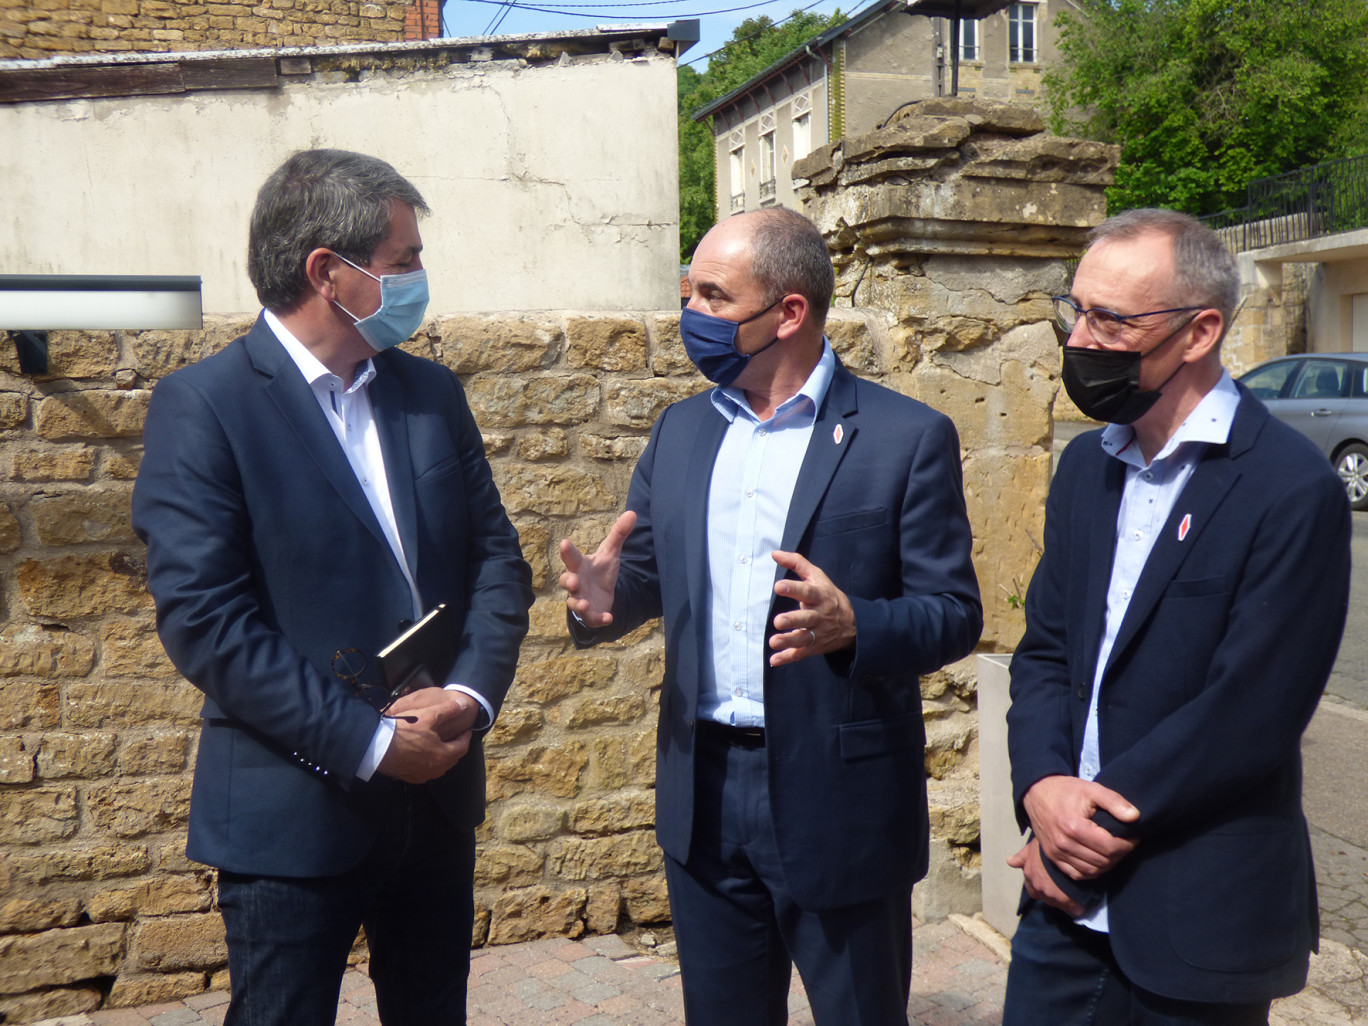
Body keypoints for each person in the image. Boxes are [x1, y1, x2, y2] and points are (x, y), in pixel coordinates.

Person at [131, 149, 533, 1026]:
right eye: (405, 261)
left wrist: (468, 695)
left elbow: (498, 561)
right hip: (293, 806)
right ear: (328, 272)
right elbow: (206, 621)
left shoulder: (429, 393)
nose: (421, 279)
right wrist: (368, 741)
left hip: (436, 801)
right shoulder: (205, 406)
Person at [558, 207, 982, 1025]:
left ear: (788, 312)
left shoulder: (904, 436)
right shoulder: (681, 431)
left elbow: (955, 613)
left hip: (840, 800)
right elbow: (643, 577)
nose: (692, 316)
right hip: (704, 793)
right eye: (690, 293)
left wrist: (858, 623)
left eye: (714, 297)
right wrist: (607, 601)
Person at [1005, 208, 1352, 1025]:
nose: (1080, 339)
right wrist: (1043, 788)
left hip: (1197, 919)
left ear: (1200, 332)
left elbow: (1251, 711)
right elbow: (1047, 651)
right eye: (1075, 309)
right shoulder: (1086, 467)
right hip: (1058, 910)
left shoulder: (1289, 488)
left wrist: (1084, 824)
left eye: (1111, 319)